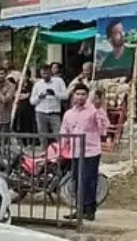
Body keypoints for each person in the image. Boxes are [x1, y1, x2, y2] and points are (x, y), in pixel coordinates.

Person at [61, 84, 110, 221]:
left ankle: (90, 209)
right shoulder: (68, 114)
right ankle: (79, 208)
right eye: (78, 94)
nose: (80, 97)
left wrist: (99, 109)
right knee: (77, 180)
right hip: (76, 152)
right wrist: (61, 148)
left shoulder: (93, 111)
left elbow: (103, 128)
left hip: (91, 151)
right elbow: (65, 132)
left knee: (89, 180)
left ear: (87, 96)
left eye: (83, 94)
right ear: (73, 96)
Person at [31, 64, 68, 145]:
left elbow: (66, 96)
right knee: (42, 135)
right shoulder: (37, 84)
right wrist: (40, 97)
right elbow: (32, 101)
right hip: (41, 112)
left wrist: (55, 94)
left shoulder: (59, 81)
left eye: (47, 74)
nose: (45, 76)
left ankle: (60, 151)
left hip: (54, 112)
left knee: (58, 133)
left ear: (50, 72)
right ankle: (44, 152)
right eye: (43, 74)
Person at [14, 68, 37, 145]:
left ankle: (30, 141)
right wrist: (21, 95)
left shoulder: (31, 84)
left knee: (29, 125)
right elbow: (15, 94)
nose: (22, 77)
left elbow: (29, 95)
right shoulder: (18, 83)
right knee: (21, 124)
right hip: (20, 108)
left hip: (28, 108)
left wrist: (24, 95)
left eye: (24, 75)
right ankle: (23, 142)